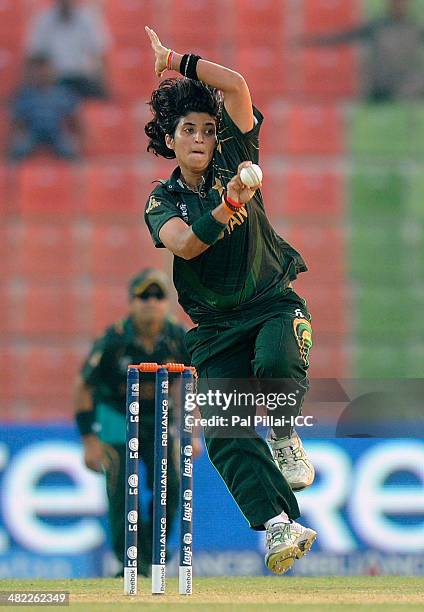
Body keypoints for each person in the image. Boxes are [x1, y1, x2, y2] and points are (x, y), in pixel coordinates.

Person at [143, 26, 317, 575]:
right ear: (170, 139)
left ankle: (285, 429)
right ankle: (278, 526)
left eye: (208, 130)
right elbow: (185, 244)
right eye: (187, 130)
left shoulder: (234, 157)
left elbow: (237, 87)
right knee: (224, 431)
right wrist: (224, 208)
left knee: (276, 361)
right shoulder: (162, 197)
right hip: (215, 329)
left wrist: (174, 60)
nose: (199, 138)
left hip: (270, 302)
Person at [74, 269, 193, 576]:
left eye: (158, 296)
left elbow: (193, 382)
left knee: (172, 483)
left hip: (159, 416)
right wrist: (89, 441)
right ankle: (129, 560)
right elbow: (83, 387)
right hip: (117, 417)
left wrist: (191, 431)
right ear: (131, 303)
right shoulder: (114, 339)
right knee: (121, 487)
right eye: (143, 297)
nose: (150, 303)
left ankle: (154, 556)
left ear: (166, 303)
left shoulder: (179, 337)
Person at [300, 0, 424, 102]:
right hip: (379, 87)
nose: (399, 6)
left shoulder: (414, 28)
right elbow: (343, 36)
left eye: (402, 3)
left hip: (405, 87)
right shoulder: (377, 26)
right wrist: (312, 41)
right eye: (395, 3)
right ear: (389, 5)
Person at [26, 0, 111, 99]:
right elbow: (34, 55)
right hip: (54, 80)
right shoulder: (43, 19)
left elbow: (99, 52)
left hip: (82, 78)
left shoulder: (88, 18)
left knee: (102, 98)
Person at [8, 54, 81, 161]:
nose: (43, 74)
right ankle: (11, 176)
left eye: (46, 70)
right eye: (39, 71)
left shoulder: (63, 93)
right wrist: (19, 135)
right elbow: (18, 120)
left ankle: (79, 176)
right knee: (18, 149)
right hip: (32, 132)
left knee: (71, 149)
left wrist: (74, 136)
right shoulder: (25, 94)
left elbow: (74, 119)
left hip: (57, 132)